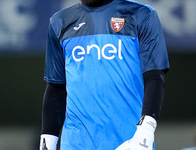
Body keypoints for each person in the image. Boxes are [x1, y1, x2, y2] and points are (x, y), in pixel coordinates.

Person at [39, 0, 169, 149]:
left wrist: (146, 131)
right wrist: (47, 143)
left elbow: (154, 77)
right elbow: (56, 87)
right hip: (76, 143)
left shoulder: (142, 14)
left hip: (130, 141)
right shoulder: (59, 21)